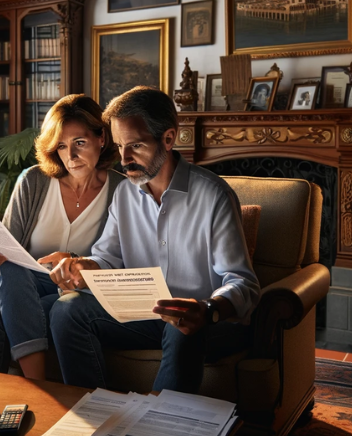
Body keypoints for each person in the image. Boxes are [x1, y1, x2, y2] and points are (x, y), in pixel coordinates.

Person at [48, 86, 261, 393]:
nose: (124, 159)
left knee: (181, 329)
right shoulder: (124, 194)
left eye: (135, 146)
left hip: (206, 322)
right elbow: (107, 260)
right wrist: (84, 267)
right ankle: (91, 411)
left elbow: (243, 282)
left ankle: (157, 432)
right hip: (145, 316)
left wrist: (208, 309)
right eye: (120, 146)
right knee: (66, 310)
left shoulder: (214, 195)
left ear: (169, 138)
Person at [0, 94, 122, 379]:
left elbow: (121, 261)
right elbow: (6, 248)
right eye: (61, 146)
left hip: (75, 293)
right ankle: (38, 384)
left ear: (102, 138)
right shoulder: (33, 180)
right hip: (17, 286)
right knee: (13, 266)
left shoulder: (122, 191)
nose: (70, 156)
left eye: (80, 143)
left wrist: (75, 262)